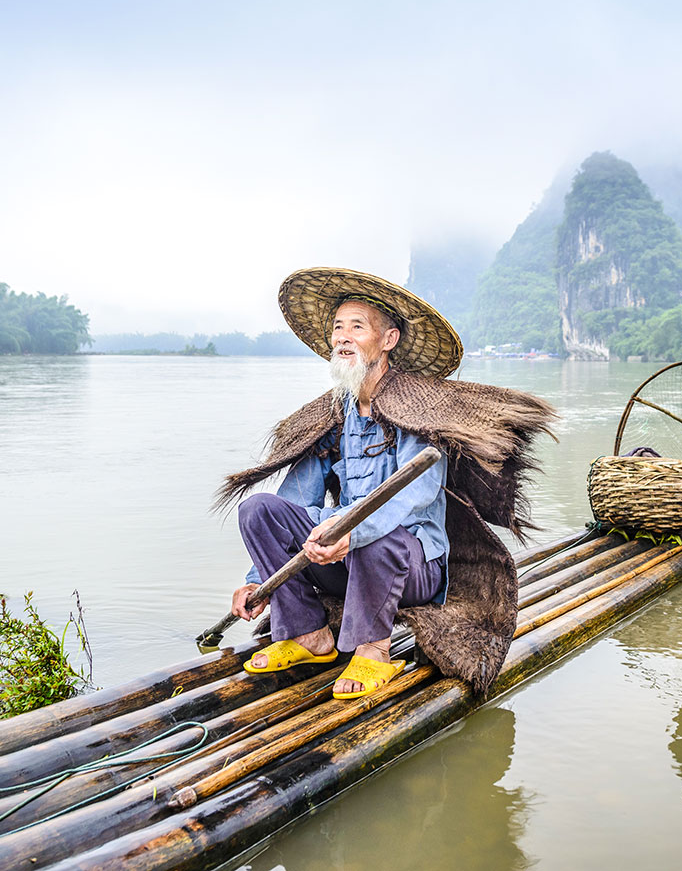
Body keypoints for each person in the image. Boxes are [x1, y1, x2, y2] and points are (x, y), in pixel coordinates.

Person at [216, 267, 555, 699]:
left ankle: (373, 649)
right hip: (342, 560)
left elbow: (417, 496)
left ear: (388, 340)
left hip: (410, 566)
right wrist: (259, 580)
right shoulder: (332, 414)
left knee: (380, 537)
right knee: (258, 510)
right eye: (337, 328)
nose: (342, 337)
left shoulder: (418, 409)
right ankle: (308, 636)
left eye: (356, 327)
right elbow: (296, 500)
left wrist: (353, 531)